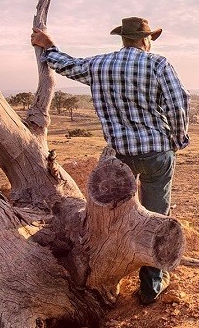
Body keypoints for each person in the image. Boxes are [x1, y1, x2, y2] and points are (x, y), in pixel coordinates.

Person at [31, 16, 190, 304]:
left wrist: (48, 46)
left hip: (120, 158)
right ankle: (151, 286)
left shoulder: (100, 64)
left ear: (123, 38)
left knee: (119, 216)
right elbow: (179, 103)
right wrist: (178, 139)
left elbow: (66, 65)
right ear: (145, 40)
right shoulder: (158, 64)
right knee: (156, 213)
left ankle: (108, 272)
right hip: (156, 152)